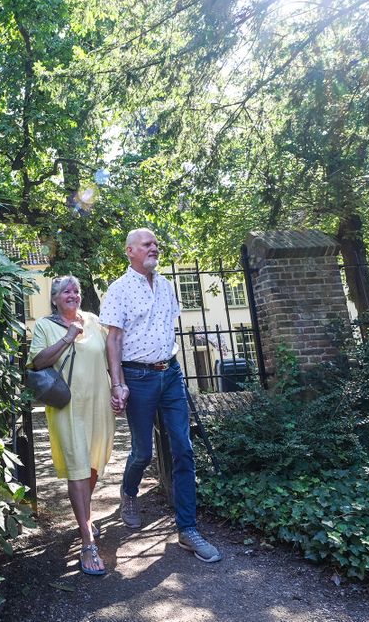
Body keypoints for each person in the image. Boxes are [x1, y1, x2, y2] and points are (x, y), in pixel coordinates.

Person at [100, 228, 222, 563]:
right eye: (147, 244)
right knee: (142, 451)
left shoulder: (167, 286)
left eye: (156, 243)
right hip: (137, 377)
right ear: (130, 251)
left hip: (170, 373)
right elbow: (113, 341)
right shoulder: (118, 290)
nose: (155, 247)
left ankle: (188, 529)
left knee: (183, 448)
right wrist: (117, 382)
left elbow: (167, 327)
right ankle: (128, 493)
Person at [29, 275, 115, 576]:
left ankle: (85, 517)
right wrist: (67, 337)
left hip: (98, 404)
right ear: (54, 298)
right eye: (66, 291)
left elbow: (112, 354)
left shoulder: (93, 321)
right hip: (68, 408)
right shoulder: (44, 326)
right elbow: (37, 362)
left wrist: (119, 386)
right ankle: (87, 540)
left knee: (91, 465)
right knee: (78, 468)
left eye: (76, 291)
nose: (73, 295)